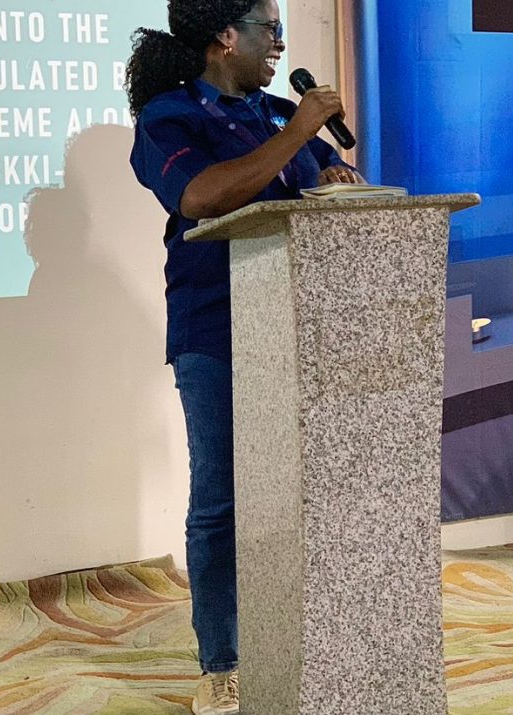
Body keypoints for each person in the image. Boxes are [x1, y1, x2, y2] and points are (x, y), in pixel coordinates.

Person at [126, 1, 363, 713]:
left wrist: (337, 179)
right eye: (270, 28)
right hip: (214, 328)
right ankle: (221, 663)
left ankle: (311, 642)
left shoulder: (277, 115)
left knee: (315, 491)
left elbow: (327, 178)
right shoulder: (169, 117)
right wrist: (298, 133)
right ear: (225, 37)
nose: (280, 42)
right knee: (222, 500)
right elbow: (201, 196)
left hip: (306, 327)